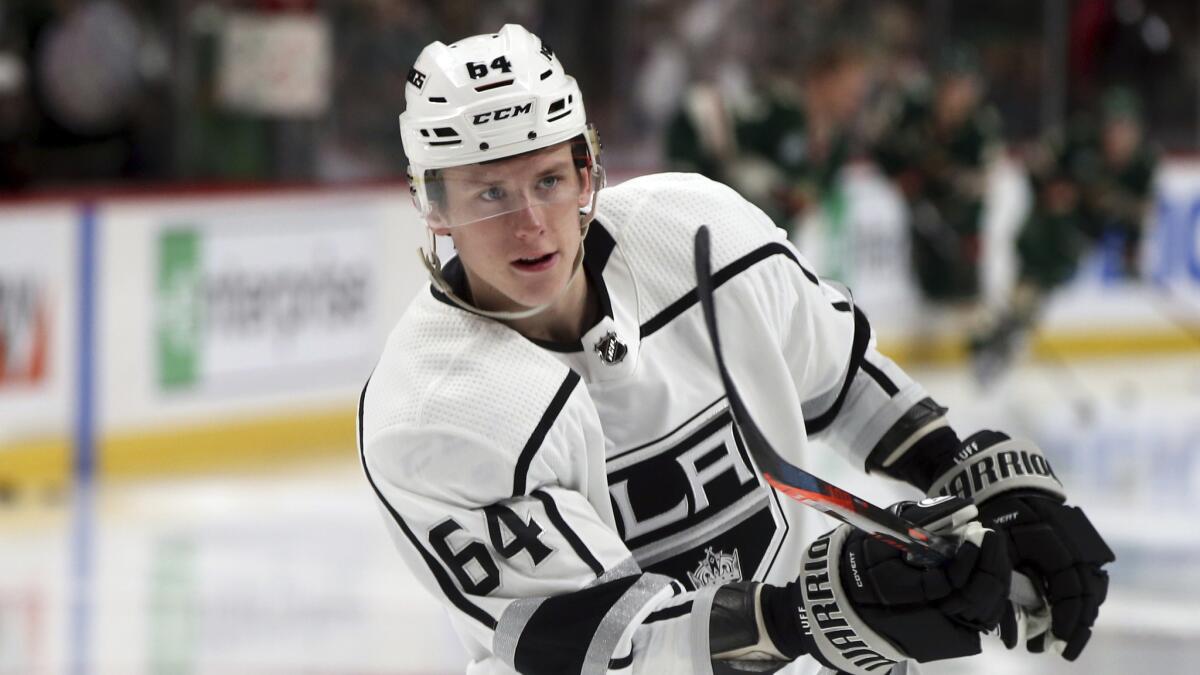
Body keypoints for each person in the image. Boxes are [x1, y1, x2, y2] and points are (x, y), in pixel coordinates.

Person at [358, 25, 1114, 675]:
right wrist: (807, 615)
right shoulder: (432, 413)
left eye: (550, 179)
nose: (532, 224)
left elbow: (841, 378)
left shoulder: (699, 235)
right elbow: (603, 645)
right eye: (490, 193)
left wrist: (974, 476)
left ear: (588, 167)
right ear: (434, 204)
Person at [971, 87, 1158, 381]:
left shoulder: (1144, 163)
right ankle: (1011, 319)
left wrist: (1128, 239)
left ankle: (1014, 319)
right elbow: (1038, 164)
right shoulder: (1079, 139)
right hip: (1050, 224)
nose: (1117, 137)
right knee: (1035, 259)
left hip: (1083, 235)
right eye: (1112, 127)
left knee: (1049, 272)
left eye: (1125, 129)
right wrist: (1054, 188)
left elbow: (1141, 212)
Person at [873, 47, 1003, 361]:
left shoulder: (980, 127)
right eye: (948, 86)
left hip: (955, 216)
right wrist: (902, 178)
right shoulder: (911, 111)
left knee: (961, 278)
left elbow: (981, 183)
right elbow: (880, 146)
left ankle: (979, 340)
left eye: (962, 87)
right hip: (913, 207)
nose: (953, 96)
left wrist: (950, 183)